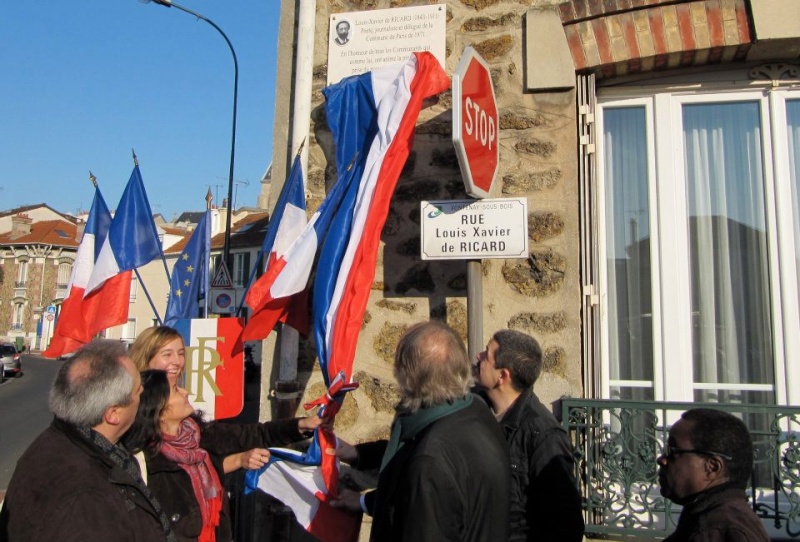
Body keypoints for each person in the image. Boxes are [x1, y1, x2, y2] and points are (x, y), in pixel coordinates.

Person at [332, 320, 511, 542]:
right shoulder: (473, 410)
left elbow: (426, 501)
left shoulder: (430, 461)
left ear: (408, 378)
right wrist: (360, 455)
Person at [0, 340, 176, 541]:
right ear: (113, 413)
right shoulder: (84, 497)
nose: (143, 393)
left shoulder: (64, 442)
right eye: (138, 391)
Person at [124, 369, 323, 542]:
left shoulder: (198, 434)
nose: (186, 392)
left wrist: (300, 425)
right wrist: (239, 460)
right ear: (160, 411)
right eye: (176, 390)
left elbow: (253, 434)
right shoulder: (145, 464)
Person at [473, 329, 584, 542]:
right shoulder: (472, 410)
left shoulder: (544, 436)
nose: (478, 357)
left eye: (487, 354)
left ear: (503, 376)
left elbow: (565, 525)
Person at [657, 408, 769, 541]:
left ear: (713, 467)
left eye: (673, 451)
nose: (661, 460)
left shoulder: (717, 531)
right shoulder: (711, 517)